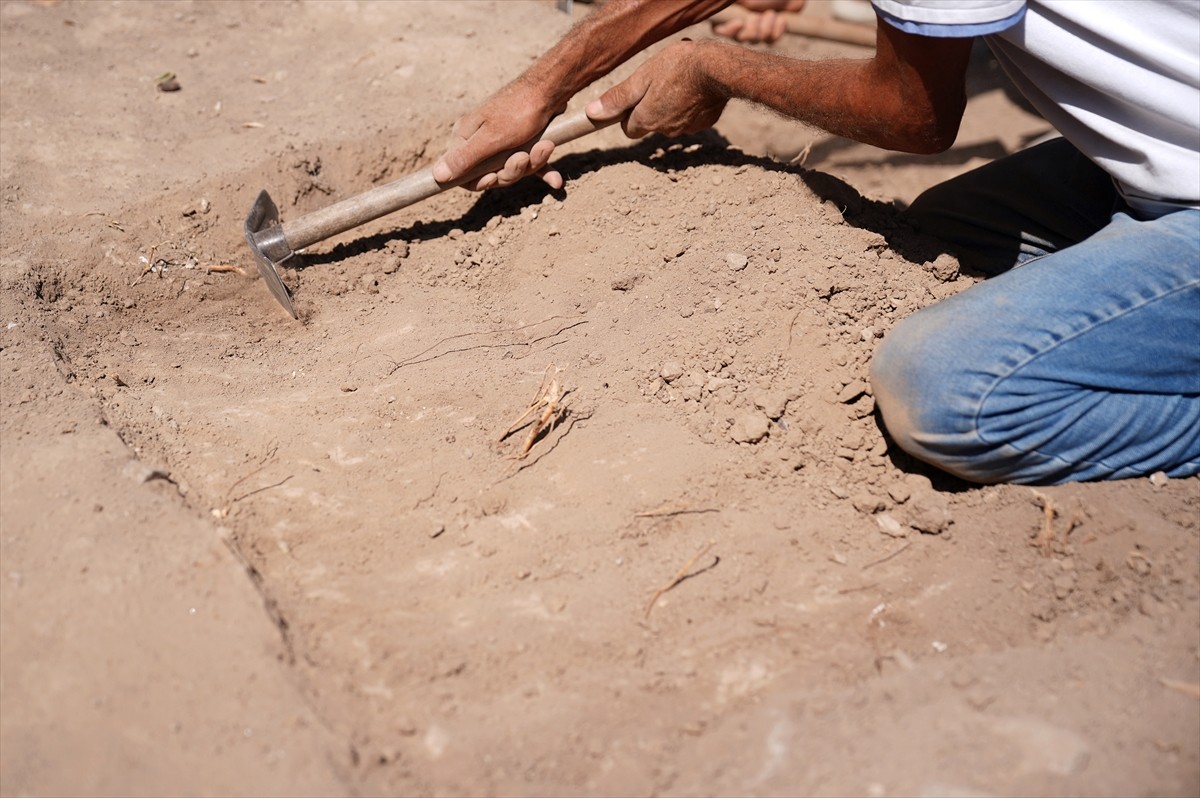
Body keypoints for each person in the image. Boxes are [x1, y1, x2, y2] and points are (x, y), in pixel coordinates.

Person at [431, 0, 1200, 485]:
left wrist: (718, 68)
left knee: (943, 394)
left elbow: (912, 116)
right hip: (1152, 157)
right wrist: (543, 88)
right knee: (936, 240)